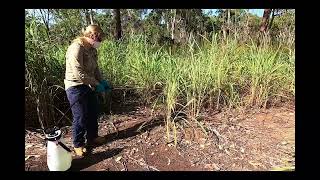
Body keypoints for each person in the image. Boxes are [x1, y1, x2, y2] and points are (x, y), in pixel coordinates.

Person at [64, 24, 111, 156]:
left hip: (88, 85)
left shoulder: (92, 50)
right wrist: (96, 84)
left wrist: (101, 81)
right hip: (74, 86)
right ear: (92, 36)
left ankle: (93, 137)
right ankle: (78, 144)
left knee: (92, 111)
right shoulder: (76, 47)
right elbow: (78, 72)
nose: (100, 42)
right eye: (99, 39)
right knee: (80, 116)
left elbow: (96, 69)